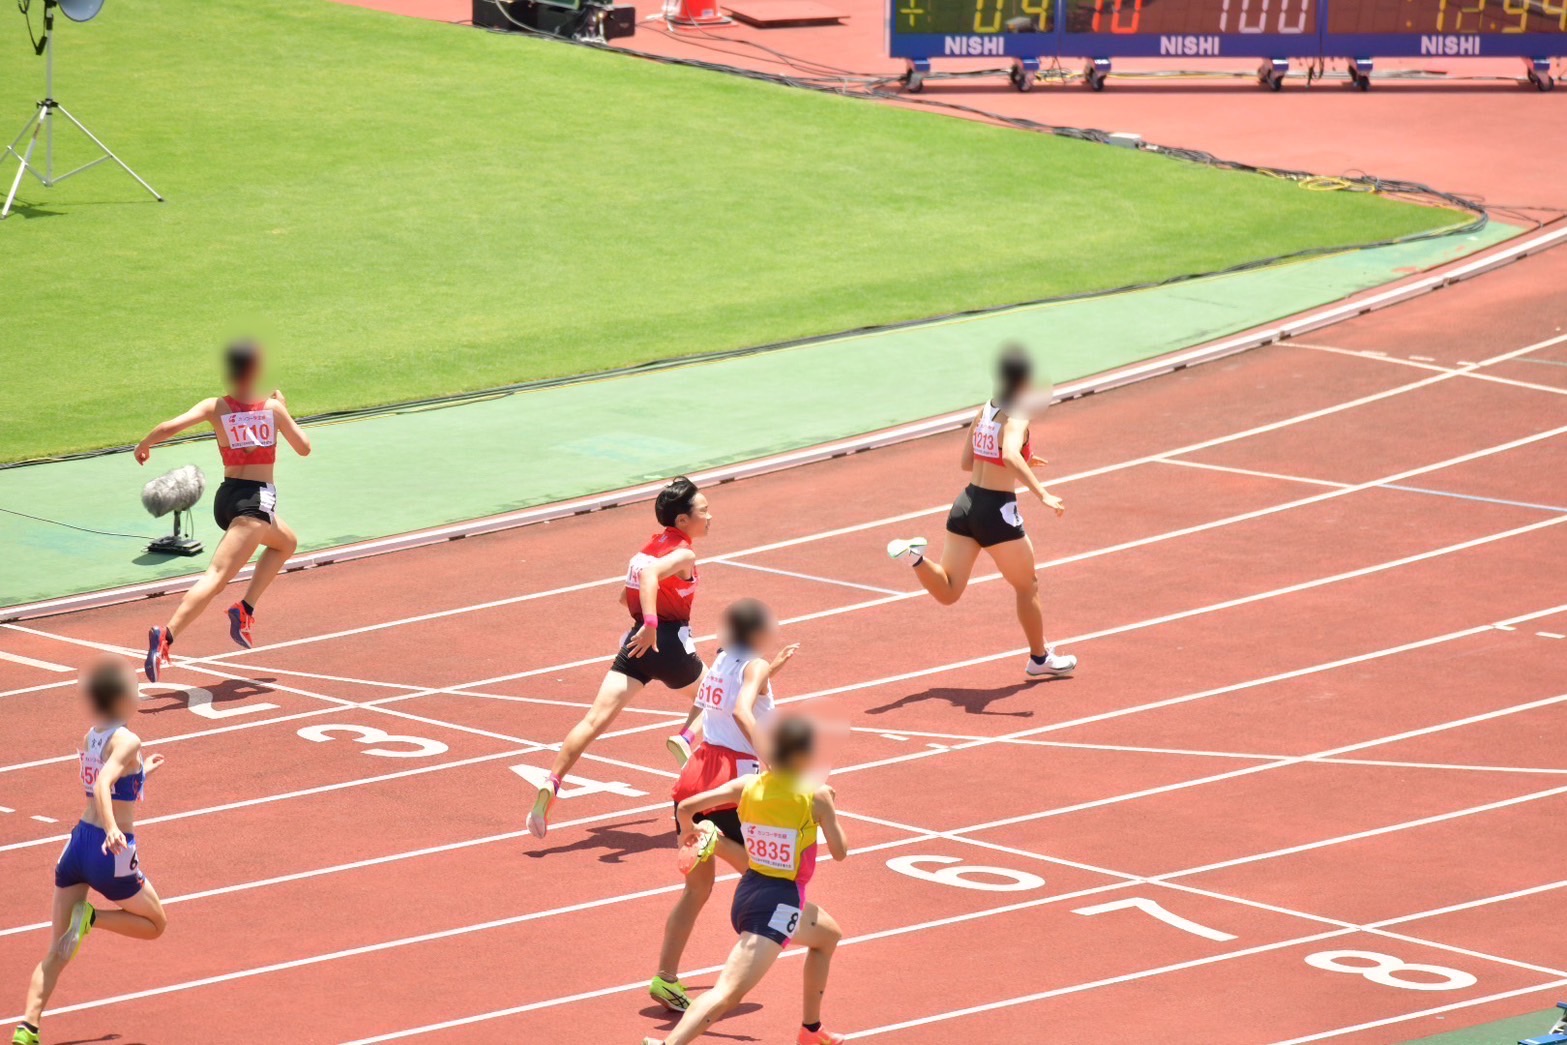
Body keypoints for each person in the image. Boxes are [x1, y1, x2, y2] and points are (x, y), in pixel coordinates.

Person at [644, 715, 848, 1045]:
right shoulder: (816, 796)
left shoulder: (746, 786)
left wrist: (687, 835)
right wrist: (830, 812)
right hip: (779, 904)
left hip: (749, 891)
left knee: (828, 936)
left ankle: (811, 1030)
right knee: (727, 992)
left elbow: (687, 808)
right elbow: (840, 852)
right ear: (803, 756)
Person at [527, 477, 711, 840]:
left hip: (635, 645)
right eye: (703, 511)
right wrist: (653, 623)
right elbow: (651, 576)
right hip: (667, 643)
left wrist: (644, 621)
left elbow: (627, 594)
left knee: (593, 720)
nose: (710, 516)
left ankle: (552, 782)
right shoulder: (684, 554)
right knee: (719, 693)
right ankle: (686, 738)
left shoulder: (647, 548)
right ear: (682, 520)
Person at [886, 344, 1076, 679]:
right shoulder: (1018, 414)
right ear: (1025, 382)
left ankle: (915, 558)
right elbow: (1009, 456)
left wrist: (1024, 458)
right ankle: (1039, 658)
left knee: (949, 590)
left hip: (966, 504)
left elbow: (967, 462)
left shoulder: (986, 409)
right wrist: (1042, 493)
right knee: (1027, 585)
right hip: (996, 511)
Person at [650, 598, 800, 1013]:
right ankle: (714, 839)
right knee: (765, 874)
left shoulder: (721, 661)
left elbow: (734, 692)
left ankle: (665, 978)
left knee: (696, 889)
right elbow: (741, 711)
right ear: (758, 632)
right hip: (731, 783)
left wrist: (771, 670)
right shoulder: (754, 666)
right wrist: (774, 762)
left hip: (696, 778)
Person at [11, 657, 167, 1045]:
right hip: (108, 851)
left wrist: (142, 770)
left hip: (77, 844)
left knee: (57, 949)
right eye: (134, 688)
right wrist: (113, 829)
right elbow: (102, 785)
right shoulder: (128, 740)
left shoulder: (92, 735)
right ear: (119, 698)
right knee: (155, 924)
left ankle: (27, 1028)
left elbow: (108, 782)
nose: (139, 692)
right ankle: (92, 918)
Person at [135, 340, 311, 681]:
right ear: (256, 369)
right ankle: (166, 636)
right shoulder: (272, 409)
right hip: (255, 503)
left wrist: (145, 444)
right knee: (216, 577)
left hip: (228, 499)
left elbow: (170, 427)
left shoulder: (216, 406)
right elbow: (304, 448)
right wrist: (283, 410)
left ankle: (244, 609)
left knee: (286, 542)